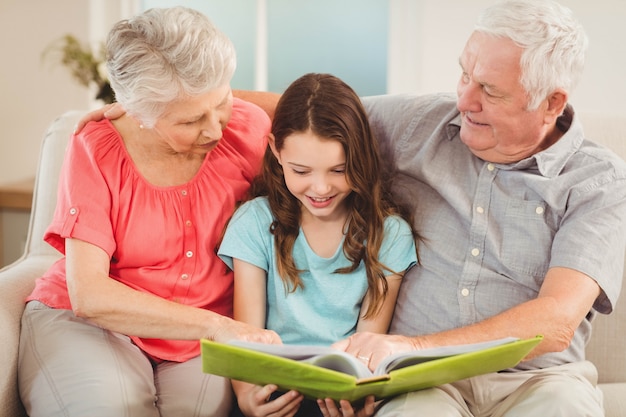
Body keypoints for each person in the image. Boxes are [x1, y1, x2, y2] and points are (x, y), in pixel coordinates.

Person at [239, 1, 626, 416]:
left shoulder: (598, 182)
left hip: (540, 380)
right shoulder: (422, 122)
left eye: (489, 91)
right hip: (424, 381)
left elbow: (555, 321)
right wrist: (196, 103)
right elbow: (313, 115)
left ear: (551, 103)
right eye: (465, 75)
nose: (464, 101)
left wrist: (414, 346)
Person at [17, 7, 280, 417]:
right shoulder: (96, 147)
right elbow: (90, 295)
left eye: (221, 101)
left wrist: (209, 96)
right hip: (97, 325)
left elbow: (327, 108)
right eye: (191, 119)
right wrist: (222, 328)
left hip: (197, 342)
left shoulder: (244, 128)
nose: (214, 129)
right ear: (139, 112)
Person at [217, 73, 417, 417]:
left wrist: (360, 400)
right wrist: (247, 397)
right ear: (276, 152)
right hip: (270, 385)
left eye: (339, 170)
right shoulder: (254, 222)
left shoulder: (390, 235)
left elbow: (368, 344)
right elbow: (246, 336)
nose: (320, 188)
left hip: (341, 392)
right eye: (301, 171)